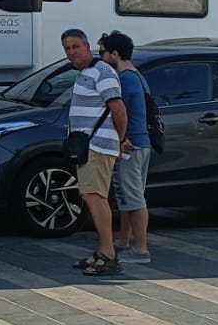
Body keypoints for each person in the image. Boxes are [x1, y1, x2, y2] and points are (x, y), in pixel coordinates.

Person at [62, 29, 130, 277]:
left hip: (98, 146)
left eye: (76, 47)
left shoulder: (102, 72)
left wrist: (119, 141)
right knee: (92, 197)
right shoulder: (84, 73)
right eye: (67, 48)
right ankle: (103, 251)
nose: (72, 52)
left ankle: (108, 255)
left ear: (87, 46)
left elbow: (119, 110)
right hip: (89, 146)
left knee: (95, 197)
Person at [100, 32, 153, 264]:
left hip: (132, 144)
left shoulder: (126, 79)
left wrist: (121, 139)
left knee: (133, 198)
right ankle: (123, 242)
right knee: (130, 197)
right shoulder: (137, 75)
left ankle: (140, 249)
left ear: (115, 54)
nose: (101, 57)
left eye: (104, 52)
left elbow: (122, 112)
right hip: (141, 142)